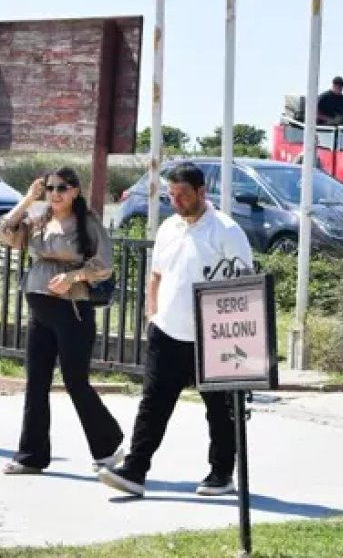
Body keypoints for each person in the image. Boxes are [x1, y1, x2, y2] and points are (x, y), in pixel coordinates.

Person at [99, 163, 254, 498]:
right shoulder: (168, 227)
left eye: (183, 194)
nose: (177, 200)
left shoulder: (226, 230)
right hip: (167, 331)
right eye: (172, 194)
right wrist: (152, 316)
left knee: (220, 410)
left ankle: (221, 474)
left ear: (201, 192)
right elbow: (156, 275)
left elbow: (243, 284)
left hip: (213, 336)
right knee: (153, 404)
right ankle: (135, 470)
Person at [0, 168, 123, 475]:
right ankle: (31, 456)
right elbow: (4, 232)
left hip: (72, 310)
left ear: (75, 191)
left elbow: (104, 265)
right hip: (40, 309)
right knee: (36, 382)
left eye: (62, 188)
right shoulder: (40, 219)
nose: (55, 193)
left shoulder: (87, 222)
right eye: (50, 188)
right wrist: (28, 199)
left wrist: (73, 276)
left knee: (75, 381)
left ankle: (107, 445)